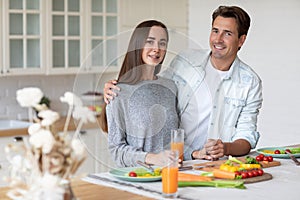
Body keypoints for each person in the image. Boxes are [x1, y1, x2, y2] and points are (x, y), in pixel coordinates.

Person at [103, 6, 263, 161]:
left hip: (206, 164)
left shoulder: (249, 82)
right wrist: (116, 88)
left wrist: (224, 148)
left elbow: (247, 134)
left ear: (241, 40)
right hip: (169, 165)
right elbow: (150, 86)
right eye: (215, 31)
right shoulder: (185, 61)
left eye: (227, 33)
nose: (218, 39)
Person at [100, 20, 179, 167]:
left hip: (172, 174)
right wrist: (152, 158)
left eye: (162, 43)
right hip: (139, 177)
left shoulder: (170, 87)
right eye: (150, 42)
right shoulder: (117, 92)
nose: (157, 48)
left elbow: (175, 142)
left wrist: (195, 154)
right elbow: (116, 150)